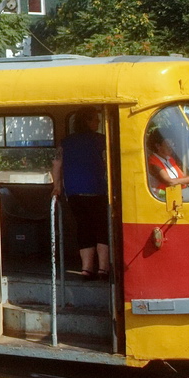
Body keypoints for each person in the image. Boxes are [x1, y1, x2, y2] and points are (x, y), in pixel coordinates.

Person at [52, 107, 110, 281]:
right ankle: (103, 269)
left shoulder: (66, 142)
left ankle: (86, 269)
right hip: (98, 190)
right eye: (95, 119)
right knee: (102, 228)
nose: (98, 123)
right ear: (87, 121)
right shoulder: (102, 140)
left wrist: (57, 187)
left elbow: (56, 164)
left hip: (74, 192)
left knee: (83, 228)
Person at [146, 128, 189, 195]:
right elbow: (170, 182)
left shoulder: (169, 159)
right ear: (158, 146)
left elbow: (183, 177)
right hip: (166, 197)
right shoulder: (153, 161)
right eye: (168, 144)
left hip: (181, 193)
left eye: (172, 144)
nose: (171, 147)